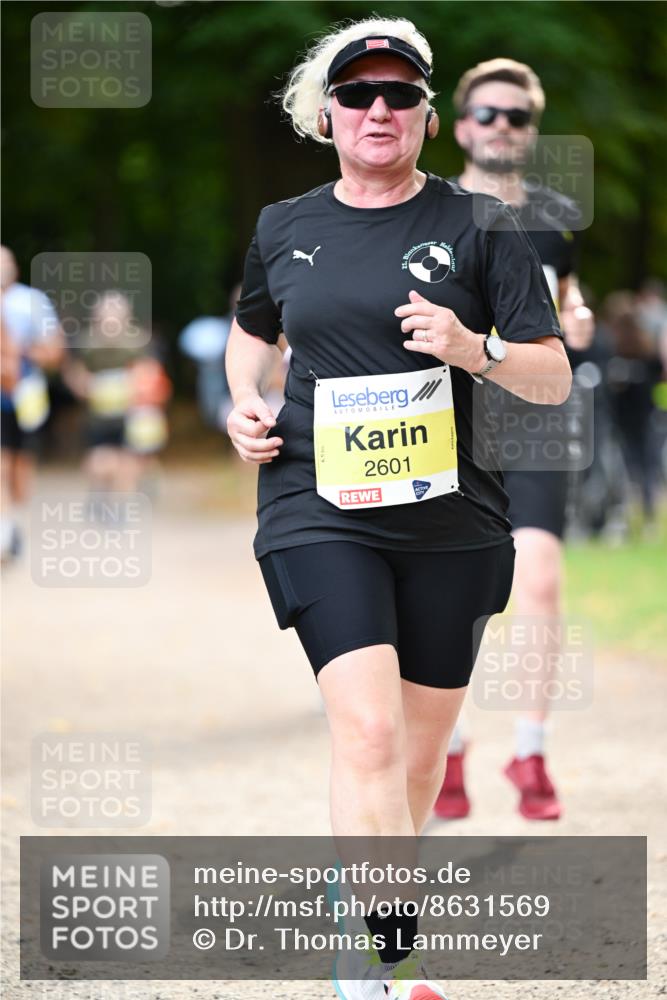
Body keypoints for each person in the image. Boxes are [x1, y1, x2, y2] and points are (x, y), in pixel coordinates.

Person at [225, 19, 571, 1000]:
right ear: (325, 112)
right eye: (358, 94)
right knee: (368, 734)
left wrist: (475, 348)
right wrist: (242, 402)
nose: (378, 110)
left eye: (399, 95)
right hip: (315, 504)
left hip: (453, 519)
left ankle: (355, 932)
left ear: (426, 115)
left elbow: (550, 380)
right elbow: (251, 337)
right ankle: (386, 961)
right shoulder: (284, 226)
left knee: (414, 765)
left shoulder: (480, 226)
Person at [433, 58, 595, 823]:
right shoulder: (430, 210)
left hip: (532, 413)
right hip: (448, 418)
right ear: (462, 125)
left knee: (538, 582)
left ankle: (528, 749)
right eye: (487, 114)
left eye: (516, 117)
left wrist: (580, 315)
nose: (501, 126)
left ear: (529, 130)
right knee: (451, 591)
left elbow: (564, 296)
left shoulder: (556, 212)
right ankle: (449, 747)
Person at [63, 291, 170, 500]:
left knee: (128, 462)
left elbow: (152, 376)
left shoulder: (140, 343)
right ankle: (102, 496)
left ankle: (122, 504)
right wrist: (86, 386)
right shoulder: (86, 344)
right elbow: (74, 374)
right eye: (104, 320)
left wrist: (134, 385)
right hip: (99, 418)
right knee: (99, 463)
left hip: (133, 415)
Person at [1, 245, 65, 561]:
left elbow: (55, 351)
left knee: (19, 462)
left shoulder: (32, 302)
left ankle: (12, 522)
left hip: (23, 394)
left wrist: (23, 353)